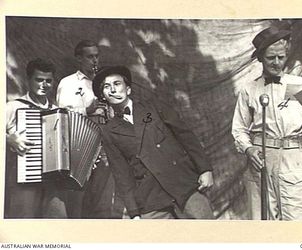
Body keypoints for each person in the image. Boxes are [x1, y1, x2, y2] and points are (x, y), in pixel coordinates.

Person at [92, 65, 214, 219]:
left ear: (128, 89)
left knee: (208, 236)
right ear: (103, 96)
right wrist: (133, 212)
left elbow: (185, 135)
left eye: (117, 84)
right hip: (151, 198)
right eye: (106, 87)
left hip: (183, 184)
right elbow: (121, 173)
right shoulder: (109, 131)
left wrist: (205, 169)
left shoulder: (152, 106)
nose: (113, 90)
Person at [232, 25, 302, 220]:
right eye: (271, 58)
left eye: (281, 57)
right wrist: (248, 149)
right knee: (264, 223)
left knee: (298, 221)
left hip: (292, 160)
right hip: (260, 160)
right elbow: (239, 129)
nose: (277, 63)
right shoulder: (249, 89)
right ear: (260, 58)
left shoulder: (298, 85)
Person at [5, 58, 67, 218]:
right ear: (28, 80)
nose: (43, 84)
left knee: (57, 222)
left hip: (54, 180)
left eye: (48, 81)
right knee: (23, 224)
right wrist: (8, 139)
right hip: (23, 179)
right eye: (38, 79)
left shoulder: (58, 110)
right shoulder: (13, 107)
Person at [56, 40, 111, 218]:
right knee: (77, 203)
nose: (94, 61)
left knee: (102, 203)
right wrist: (88, 110)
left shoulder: (105, 83)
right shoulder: (68, 83)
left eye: (97, 56)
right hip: (79, 149)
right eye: (89, 57)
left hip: (103, 149)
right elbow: (61, 116)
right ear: (79, 59)